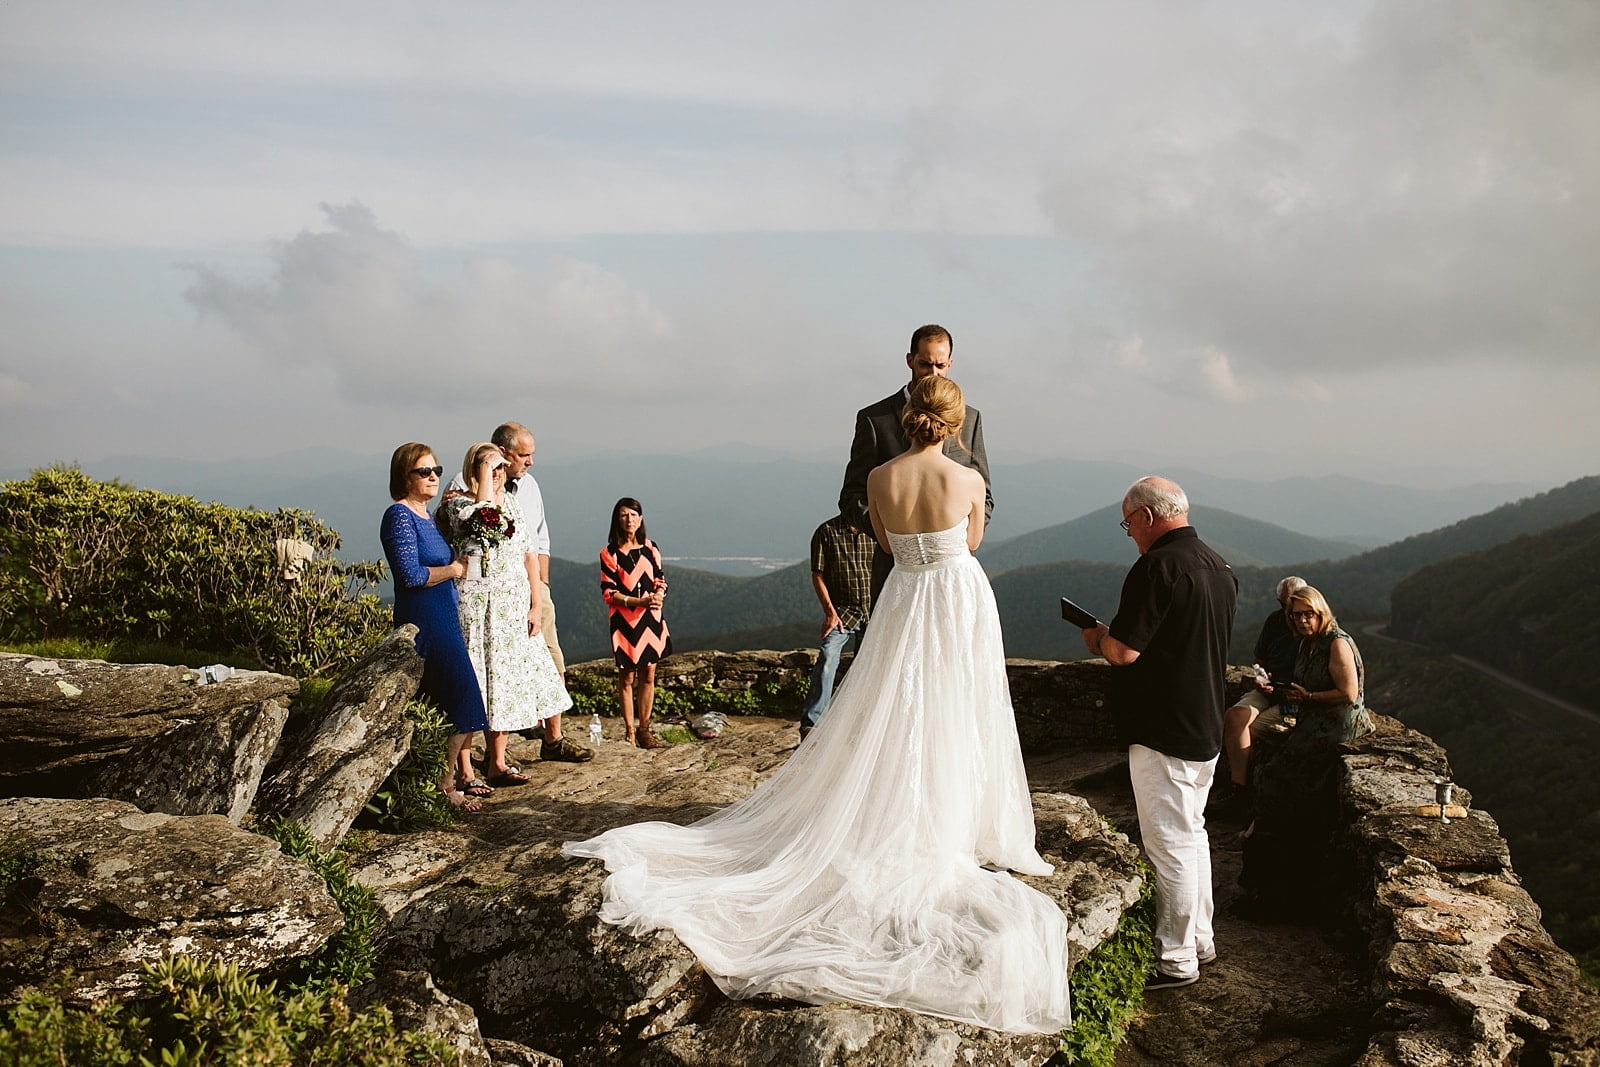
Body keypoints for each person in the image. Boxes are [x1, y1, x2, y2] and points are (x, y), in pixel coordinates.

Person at [565, 378, 1070, 1035]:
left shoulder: (881, 478)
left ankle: (900, 804)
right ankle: (953, 814)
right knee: (958, 702)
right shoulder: (968, 479)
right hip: (955, 596)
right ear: (952, 423)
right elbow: (969, 543)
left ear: (910, 418)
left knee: (896, 704)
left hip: (904, 596)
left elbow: (885, 543)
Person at [1081, 476, 1237, 991]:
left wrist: (1097, 638)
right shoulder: (1219, 566)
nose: (1129, 533)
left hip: (1163, 724)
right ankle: (1201, 939)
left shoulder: (1157, 567)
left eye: (1128, 523)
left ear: (1147, 517)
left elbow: (1125, 651)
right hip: (1204, 721)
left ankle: (1175, 958)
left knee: (1169, 844)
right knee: (1193, 834)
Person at [446, 421, 590, 763]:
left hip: (527, 588)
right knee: (489, 674)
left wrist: (541, 589)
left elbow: (537, 540)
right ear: (503, 454)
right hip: (483, 598)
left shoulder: (527, 488)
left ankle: (553, 739)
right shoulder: (460, 490)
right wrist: (486, 478)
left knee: (549, 660)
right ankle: (487, 758)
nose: (530, 462)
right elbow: (479, 523)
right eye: (524, 455)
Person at [1241, 585, 1374, 912]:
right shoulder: (1307, 643)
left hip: (1337, 729)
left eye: (1307, 614)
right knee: (1274, 776)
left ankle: (1271, 866)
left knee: (1285, 781)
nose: (1301, 620)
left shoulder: (1336, 643)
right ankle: (1263, 864)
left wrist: (1309, 698)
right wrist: (1281, 691)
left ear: (1320, 612)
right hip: (1312, 724)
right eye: (1295, 615)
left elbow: (1348, 693)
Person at [837, 323, 992, 603]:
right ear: (910, 360)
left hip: (953, 576)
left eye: (940, 366)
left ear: (950, 363)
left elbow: (985, 497)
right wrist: (896, 534)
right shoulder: (875, 419)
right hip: (895, 572)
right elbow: (852, 497)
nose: (933, 373)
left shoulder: (970, 418)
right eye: (925, 364)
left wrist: (950, 540)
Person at [379, 443, 489, 811]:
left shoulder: (425, 517)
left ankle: (434, 780)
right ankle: (445, 784)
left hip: (444, 615)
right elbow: (409, 576)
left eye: (436, 470)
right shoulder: (399, 516)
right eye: (423, 471)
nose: (432, 477)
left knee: (445, 699)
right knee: (464, 695)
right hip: (424, 619)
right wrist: (454, 569)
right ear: (404, 476)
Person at [1213, 575, 1308, 817]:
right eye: (1285, 605)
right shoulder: (1275, 621)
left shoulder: (1310, 626)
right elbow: (1260, 658)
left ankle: (1242, 792)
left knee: (1247, 730)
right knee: (1234, 717)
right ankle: (1238, 789)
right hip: (1268, 690)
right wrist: (1261, 676)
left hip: (1292, 701)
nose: (1290, 613)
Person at [598, 497, 672, 749]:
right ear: (617, 520)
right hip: (625, 621)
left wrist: (659, 595)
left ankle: (645, 730)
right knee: (627, 677)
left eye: (633, 515)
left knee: (649, 674)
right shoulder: (610, 553)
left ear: (640, 519)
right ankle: (630, 731)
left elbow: (660, 579)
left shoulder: (651, 548)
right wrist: (638, 602)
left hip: (651, 618)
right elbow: (609, 592)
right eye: (623, 515)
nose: (629, 520)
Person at [796, 512, 875, 740]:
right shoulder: (827, 532)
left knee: (870, 667)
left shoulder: (875, 530)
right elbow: (817, 575)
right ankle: (812, 723)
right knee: (828, 656)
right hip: (841, 613)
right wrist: (830, 612)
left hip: (873, 612)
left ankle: (863, 722)